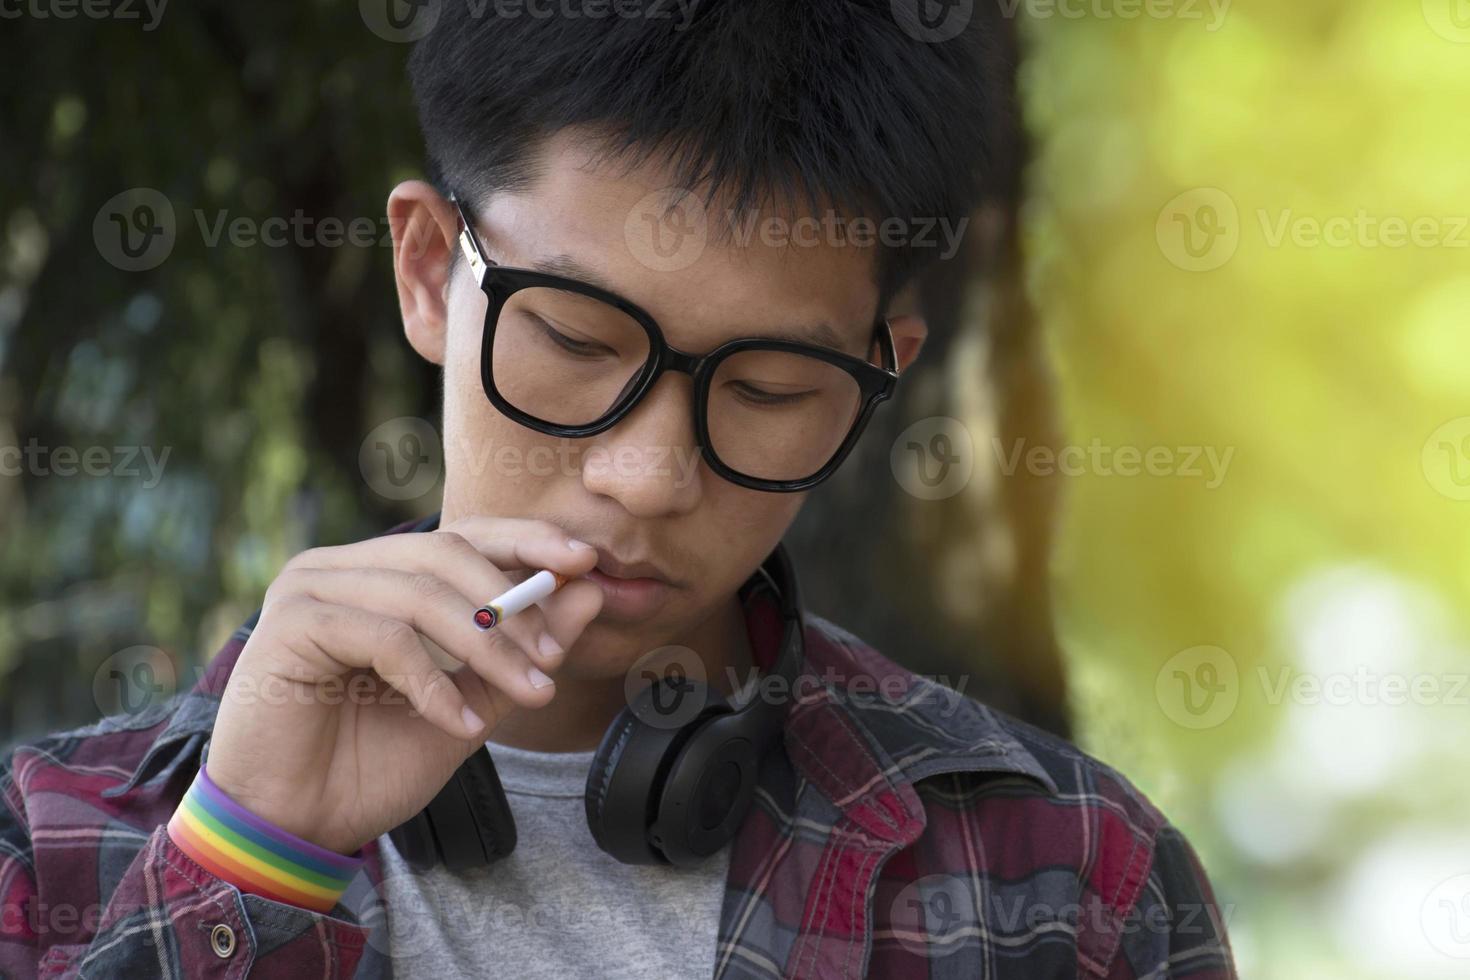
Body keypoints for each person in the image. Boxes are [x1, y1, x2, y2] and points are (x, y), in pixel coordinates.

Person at [0, 2, 1236, 977]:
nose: (645, 477)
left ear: (879, 377)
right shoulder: (40, 850)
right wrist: (244, 861)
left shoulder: (1068, 882)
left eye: (767, 386)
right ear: (430, 272)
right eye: (579, 341)